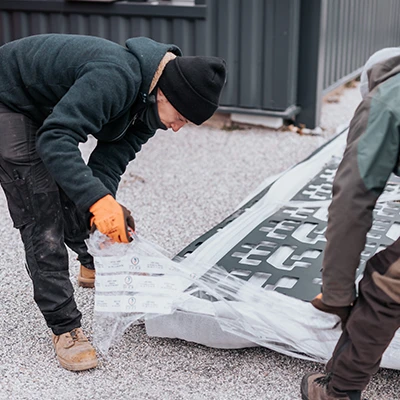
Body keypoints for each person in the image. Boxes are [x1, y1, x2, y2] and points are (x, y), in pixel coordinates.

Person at [0, 33, 226, 371]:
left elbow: (106, 165)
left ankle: (91, 261)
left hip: (46, 109)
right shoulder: (115, 77)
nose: (178, 128)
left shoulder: (149, 111)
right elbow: (56, 139)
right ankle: (65, 327)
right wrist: (98, 200)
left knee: (89, 192)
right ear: (165, 93)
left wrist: (103, 210)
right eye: (180, 116)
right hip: (10, 99)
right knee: (41, 212)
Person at [301, 47, 400, 400]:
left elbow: (351, 202)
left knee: (387, 281)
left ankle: (339, 390)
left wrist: (338, 294)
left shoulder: (386, 99)